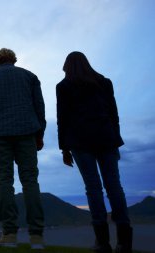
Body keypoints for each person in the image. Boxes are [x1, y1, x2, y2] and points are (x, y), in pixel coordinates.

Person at [56, 51, 132, 253]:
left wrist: (64, 148)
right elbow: (113, 113)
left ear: (67, 67)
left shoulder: (64, 87)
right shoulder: (104, 82)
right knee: (114, 187)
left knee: (93, 188)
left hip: (80, 142)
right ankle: (124, 242)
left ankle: (102, 242)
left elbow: (62, 118)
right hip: (107, 139)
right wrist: (115, 138)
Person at [0, 48, 46, 249]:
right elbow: (39, 106)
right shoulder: (29, 76)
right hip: (27, 133)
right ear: (13, 59)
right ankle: (37, 236)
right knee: (30, 180)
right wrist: (40, 133)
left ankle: (9, 235)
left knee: (4, 182)